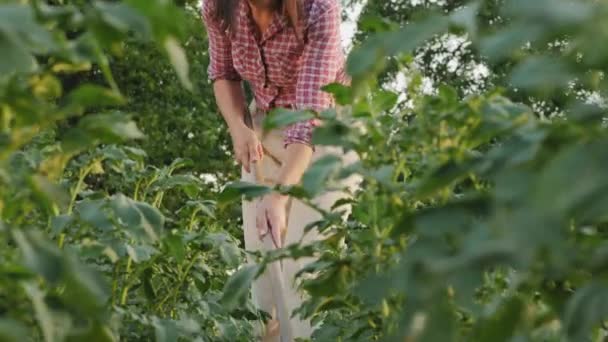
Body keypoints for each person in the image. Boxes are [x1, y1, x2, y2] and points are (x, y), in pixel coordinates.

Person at [202, 0, 358, 340]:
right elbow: (224, 73)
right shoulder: (217, 6)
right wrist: (239, 127)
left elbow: (308, 119)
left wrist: (279, 192)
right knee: (263, 257)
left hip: (325, 128)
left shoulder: (319, 8)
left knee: (307, 259)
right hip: (264, 121)